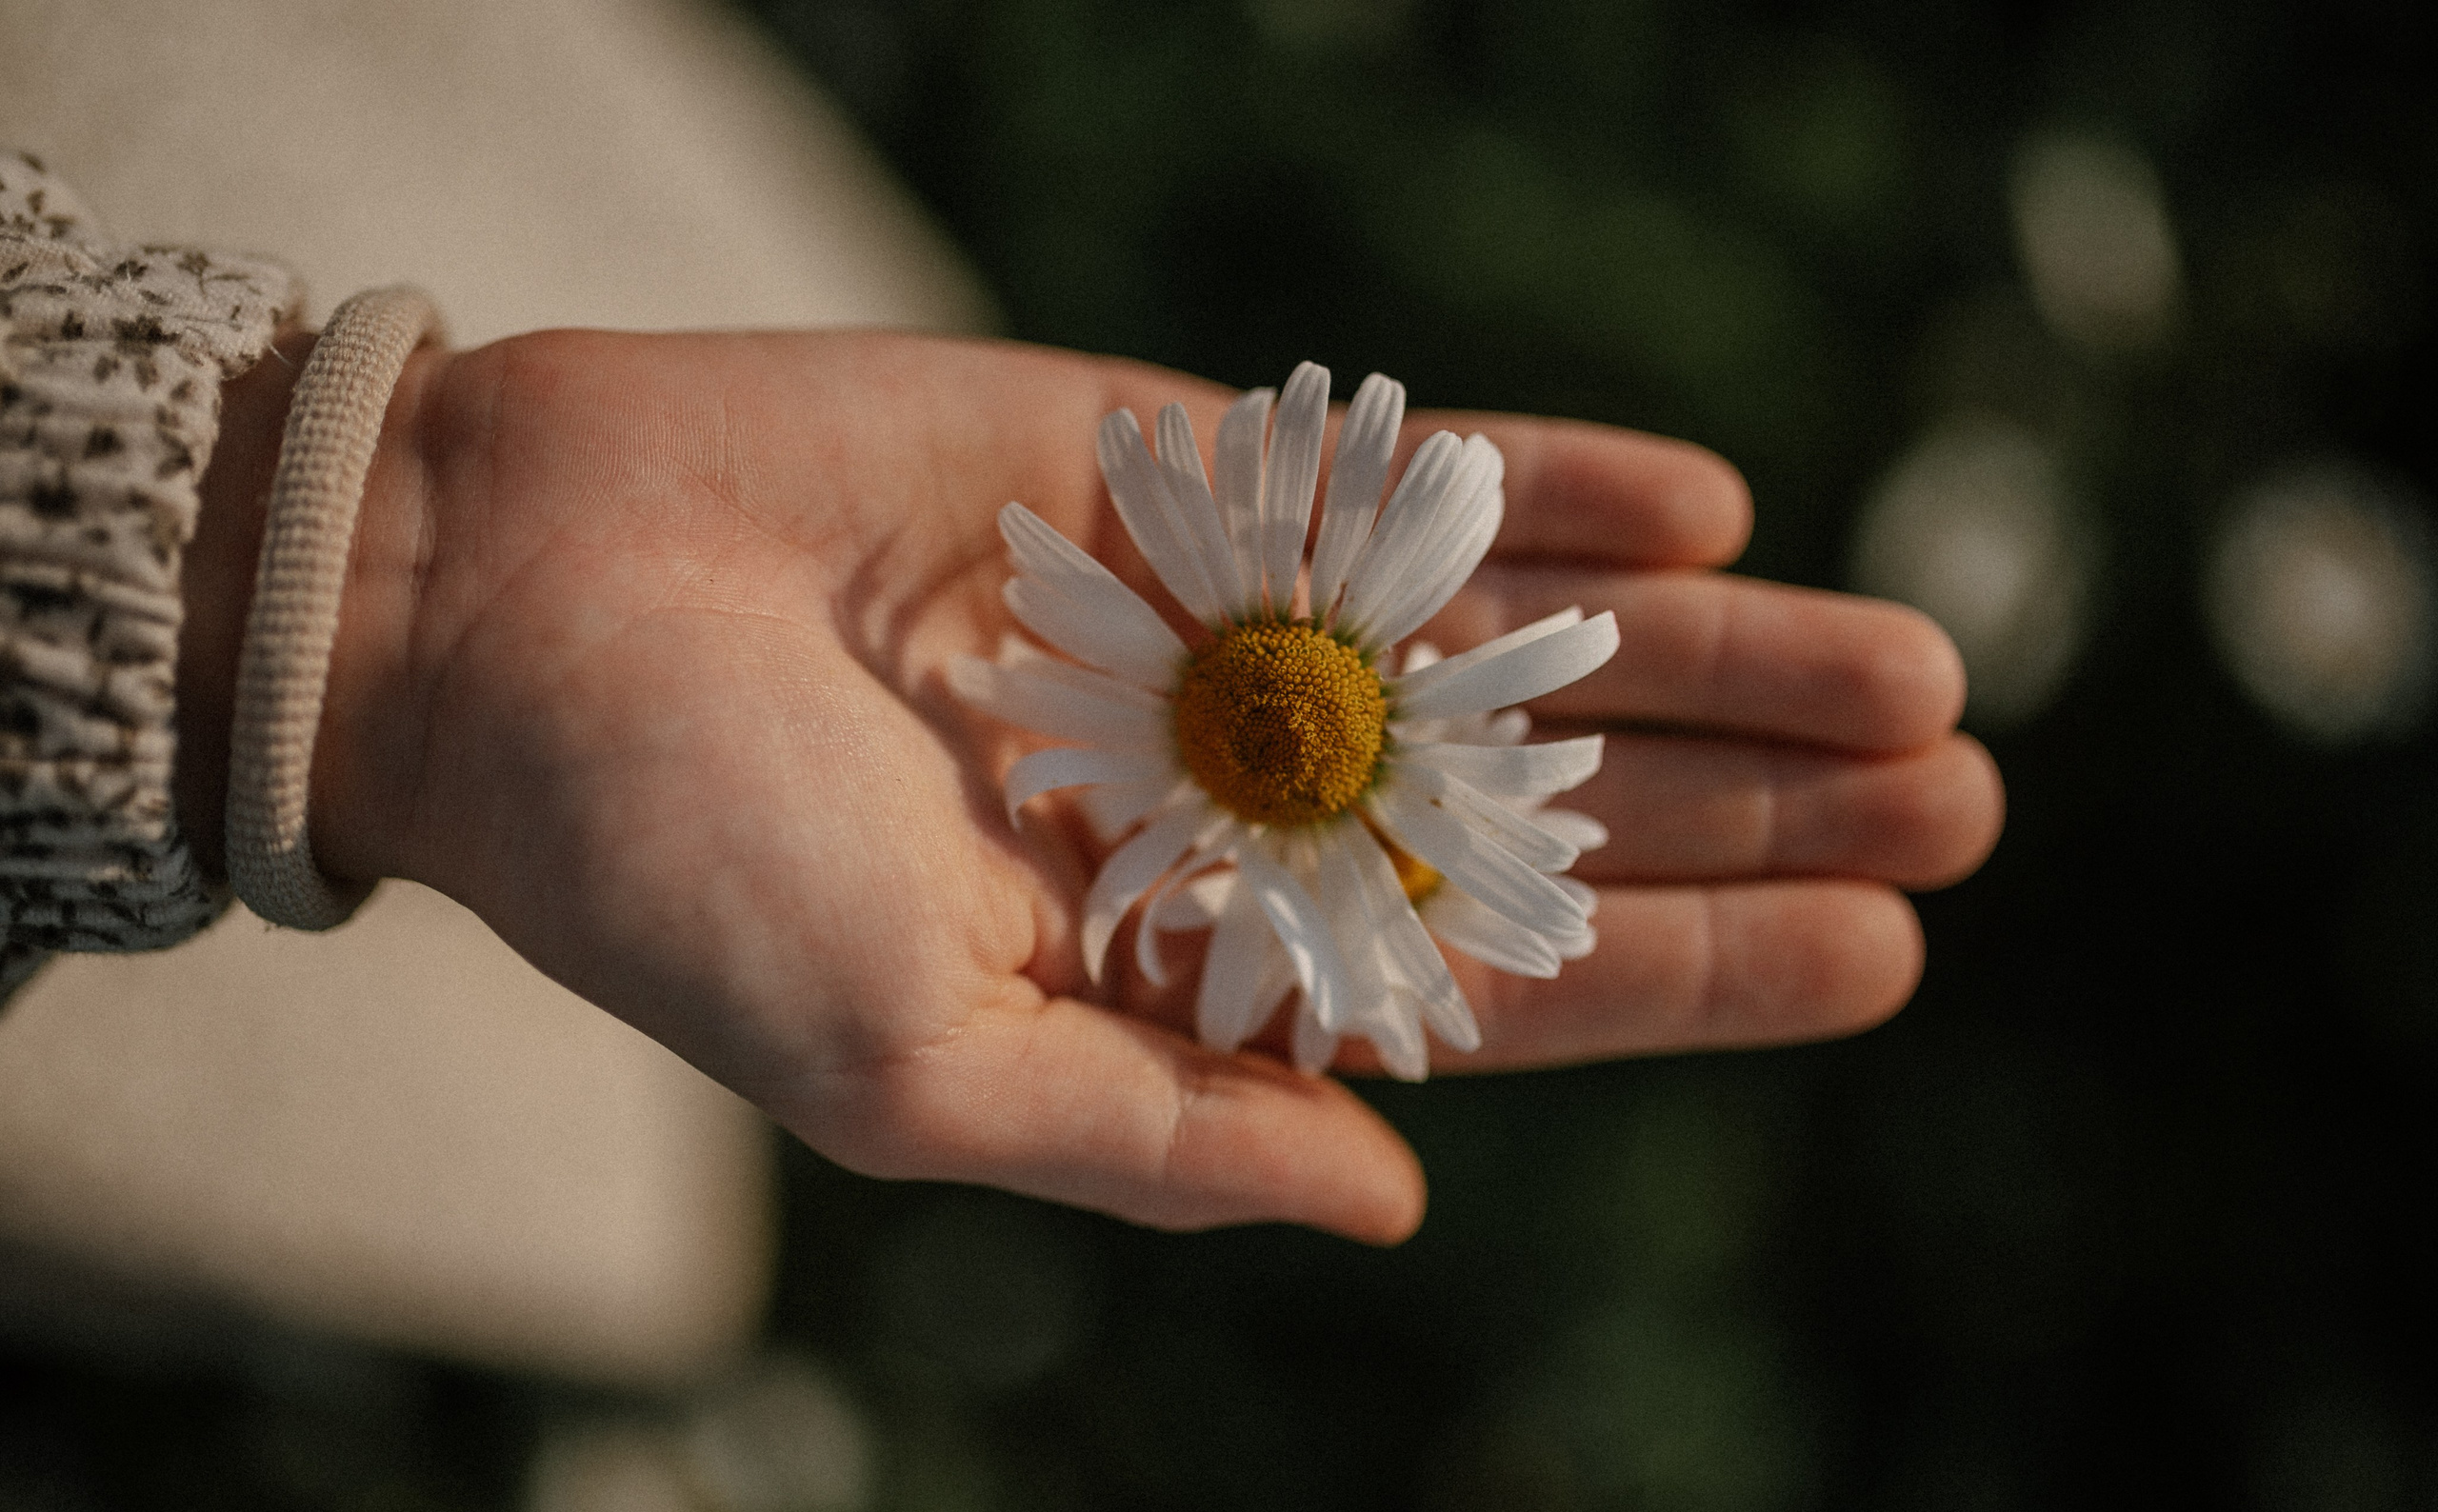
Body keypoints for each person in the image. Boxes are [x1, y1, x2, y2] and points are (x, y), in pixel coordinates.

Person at [162, 319, 2002, 1245]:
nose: (1291, 735)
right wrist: (401, 562)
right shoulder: (1215, 676)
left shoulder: (1254, 770)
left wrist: (389, 579)